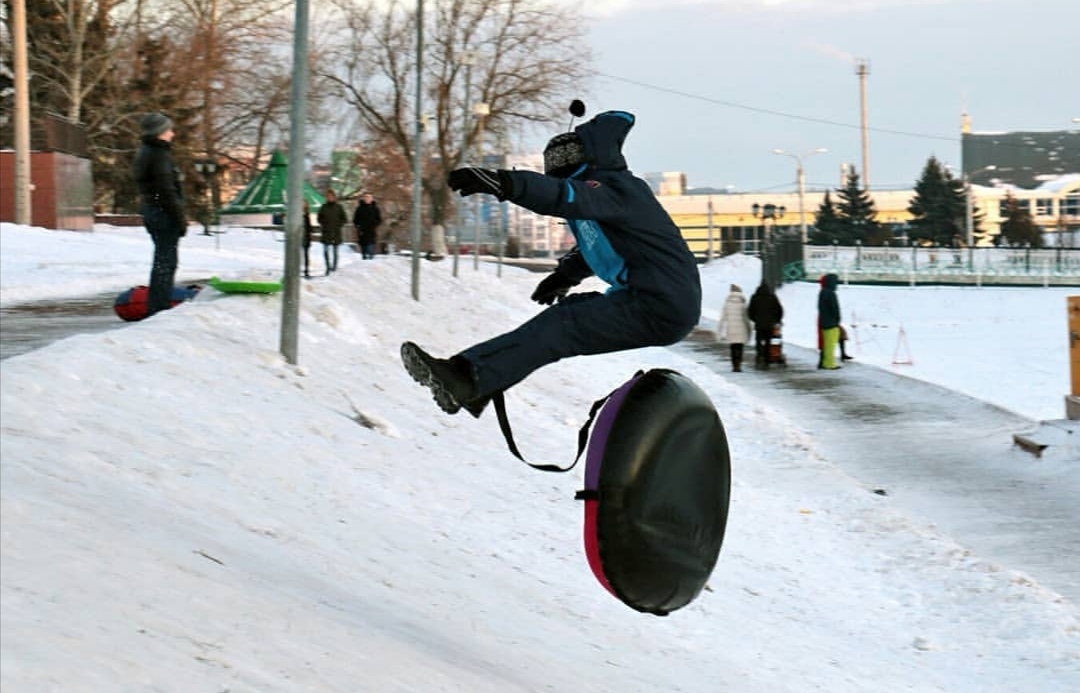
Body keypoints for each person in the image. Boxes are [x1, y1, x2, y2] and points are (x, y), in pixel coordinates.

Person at [401, 109, 702, 417]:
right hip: (652, 299)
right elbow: (595, 245)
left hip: (661, 303)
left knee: (563, 328)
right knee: (564, 320)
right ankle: (475, 383)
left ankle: (466, 380)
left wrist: (504, 182)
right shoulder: (600, 199)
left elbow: (563, 195)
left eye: (560, 162)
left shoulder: (614, 188)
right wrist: (564, 276)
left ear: (584, 158)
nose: (554, 171)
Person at [132, 112, 185, 317]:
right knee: (166, 261)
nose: (172, 133)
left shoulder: (145, 152)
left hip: (153, 211)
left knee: (162, 259)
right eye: (169, 129)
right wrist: (179, 218)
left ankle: (158, 305)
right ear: (160, 132)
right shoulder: (158, 154)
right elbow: (166, 190)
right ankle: (159, 308)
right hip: (163, 213)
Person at [746, 280, 784, 370]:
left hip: (759, 324)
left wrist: (755, 319)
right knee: (768, 342)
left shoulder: (754, 297)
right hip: (770, 324)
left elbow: (750, 311)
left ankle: (759, 357)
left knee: (759, 341)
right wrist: (776, 320)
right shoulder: (772, 297)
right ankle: (767, 359)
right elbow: (779, 310)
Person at [716, 284, 751, 372]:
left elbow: (722, 319)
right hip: (742, 329)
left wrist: (719, 332)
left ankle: (734, 365)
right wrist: (749, 330)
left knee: (733, 347)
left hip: (731, 329)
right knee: (740, 347)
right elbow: (747, 319)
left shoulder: (727, 304)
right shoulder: (743, 303)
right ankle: (739, 365)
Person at [317, 189, 348, 274]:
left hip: (336, 232)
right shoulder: (323, 207)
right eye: (328, 196)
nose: (330, 198)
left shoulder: (339, 207)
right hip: (326, 232)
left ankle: (334, 268)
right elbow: (319, 218)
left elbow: (344, 219)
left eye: (331, 196)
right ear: (326, 197)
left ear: (334, 197)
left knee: (335, 252)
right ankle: (327, 267)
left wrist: (339, 225)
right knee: (326, 251)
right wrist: (323, 224)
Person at [818, 273, 842, 369]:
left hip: (824, 321)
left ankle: (825, 362)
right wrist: (837, 319)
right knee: (830, 345)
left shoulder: (822, 292)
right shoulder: (831, 293)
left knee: (827, 344)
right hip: (831, 323)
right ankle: (829, 364)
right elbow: (835, 308)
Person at [353, 192, 382, 260]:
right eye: (366, 197)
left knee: (371, 245)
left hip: (371, 230)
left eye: (369, 197)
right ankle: (364, 257)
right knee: (364, 245)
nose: (368, 199)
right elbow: (355, 219)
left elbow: (379, 219)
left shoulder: (375, 209)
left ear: (372, 199)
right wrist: (358, 225)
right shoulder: (359, 208)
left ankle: (371, 257)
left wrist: (375, 224)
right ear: (364, 198)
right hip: (362, 230)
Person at [302, 201, 314, 279]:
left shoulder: (307, 215)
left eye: (305, 204)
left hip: (305, 237)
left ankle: (306, 270)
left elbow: (309, 227)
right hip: (299, 237)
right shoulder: (297, 214)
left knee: (305, 255)